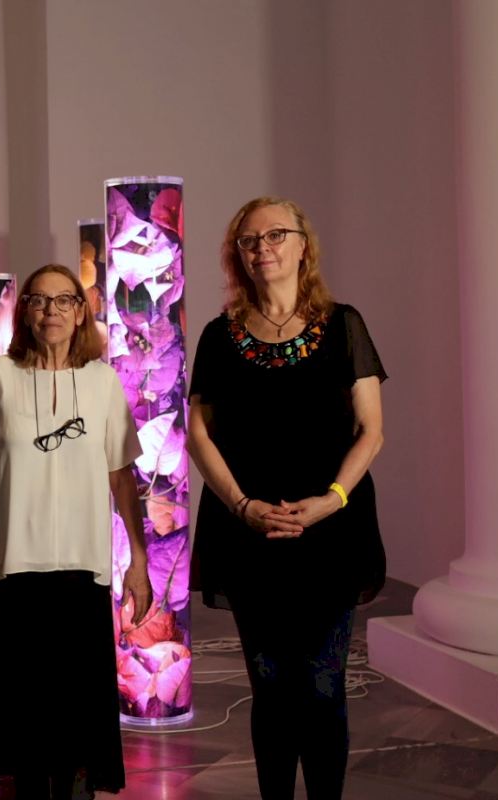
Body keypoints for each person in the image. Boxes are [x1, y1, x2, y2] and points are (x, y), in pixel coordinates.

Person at [187, 197, 387, 800]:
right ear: (238, 255)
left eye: (276, 234)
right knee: (270, 685)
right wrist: (242, 506)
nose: (262, 248)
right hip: (249, 531)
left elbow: (371, 430)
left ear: (303, 246)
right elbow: (198, 435)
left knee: (323, 684)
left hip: (331, 530)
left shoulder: (344, 324)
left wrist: (331, 499)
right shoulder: (219, 336)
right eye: (249, 240)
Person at [0, 263, 153, 799]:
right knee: (19, 714)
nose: (51, 311)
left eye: (64, 300)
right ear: (24, 312)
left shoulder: (102, 381)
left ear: (81, 312)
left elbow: (121, 477)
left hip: (82, 570)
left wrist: (138, 559)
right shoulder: (1, 375)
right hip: (11, 569)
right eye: (39, 301)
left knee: (75, 714)